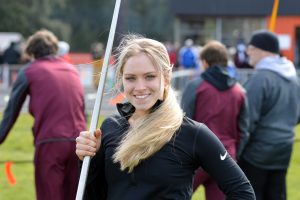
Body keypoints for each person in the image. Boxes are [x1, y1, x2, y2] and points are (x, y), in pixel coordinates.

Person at [75, 35, 255, 200]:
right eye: (131, 78)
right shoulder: (109, 128)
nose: (140, 87)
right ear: (122, 79)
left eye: (150, 77)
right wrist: (87, 161)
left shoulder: (192, 133)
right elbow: (93, 195)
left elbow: (242, 192)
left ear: (166, 77)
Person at [0, 29, 87, 200]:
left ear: (31, 51)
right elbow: (82, 109)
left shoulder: (29, 71)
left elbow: (11, 112)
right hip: (79, 143)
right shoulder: (71, 70)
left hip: (50, 142)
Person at [181, 40, 249, 200]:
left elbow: (182, 121)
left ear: (204, 62)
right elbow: (244, 131)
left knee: (174, 195)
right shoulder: (240, 91)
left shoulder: (196, 86)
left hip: (197, 156)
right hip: (226, 156)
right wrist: (232, 155)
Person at [238, 29, 300, 200]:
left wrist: (236, 151)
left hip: (257, 153)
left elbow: (246, 120)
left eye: (251, 48)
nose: (247, 52)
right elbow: (296, 115)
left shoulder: (261, 78)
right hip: (284, 149)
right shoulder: (293, 77)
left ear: (262, 50)